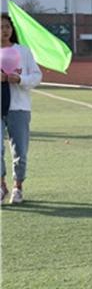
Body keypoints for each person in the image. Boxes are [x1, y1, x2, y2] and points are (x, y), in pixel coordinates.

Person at [0, 13, 42, 205]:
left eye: (7, 26)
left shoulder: (23, 51)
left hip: (18, 108)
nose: (4, 30)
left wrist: (20, 79)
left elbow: (36, 76)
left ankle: (18, 187)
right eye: (0, 27)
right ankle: (1, 186)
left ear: (12, 29)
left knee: (20, 152)